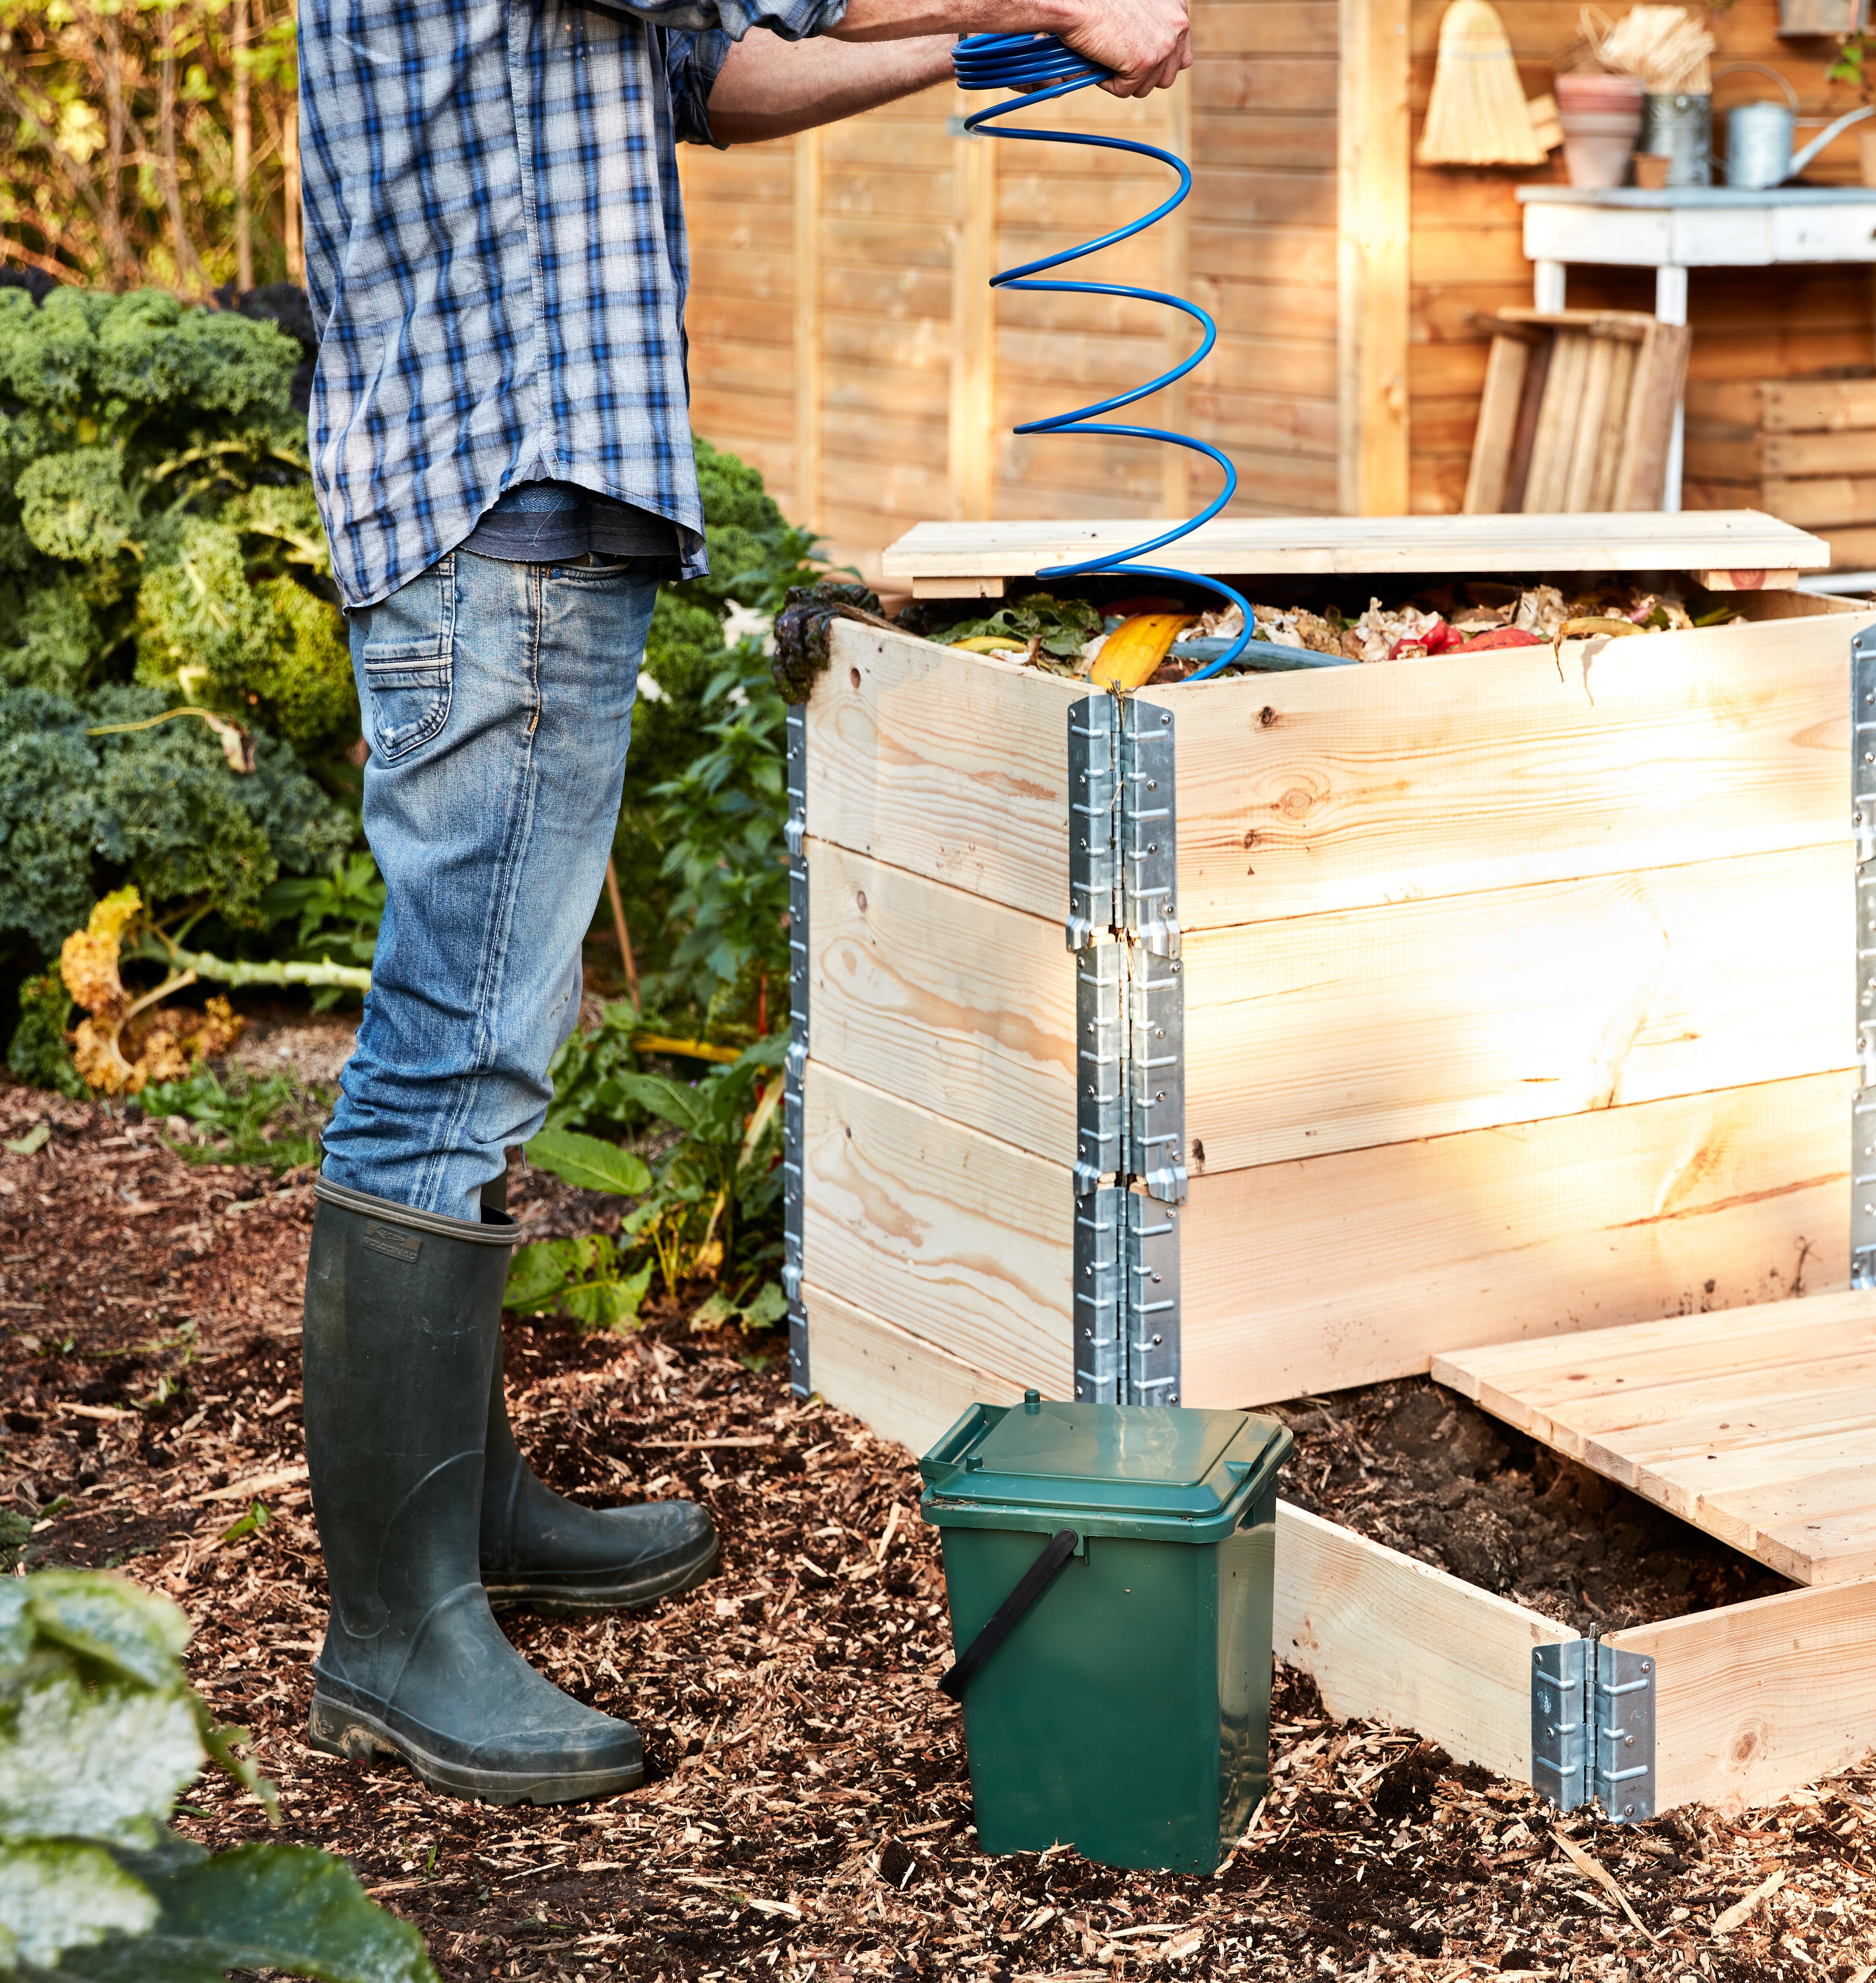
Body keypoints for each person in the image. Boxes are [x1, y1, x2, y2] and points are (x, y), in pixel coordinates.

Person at [295, 0, 1187, 1805]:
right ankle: (394, 1631)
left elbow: (721, 65)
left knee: (491, 1030)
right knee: (454, 1055)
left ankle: (465, 1516)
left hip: (547, 506)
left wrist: (977, 50)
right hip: (493, 505)